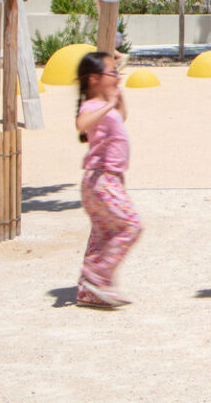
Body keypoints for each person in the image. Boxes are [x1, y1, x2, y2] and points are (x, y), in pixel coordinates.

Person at [74, 50, 140, 308]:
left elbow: (122, 116)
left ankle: (87, 292)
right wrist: (109, 104)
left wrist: (116, 94)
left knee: (102, 234)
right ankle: (97, 276)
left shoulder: (105, 104)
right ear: (93, 79)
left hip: (109, 180)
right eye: (111, 73)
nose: (116, 76)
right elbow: (82, 124)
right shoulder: (91, 105)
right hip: (101, 180)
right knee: (131, 226)